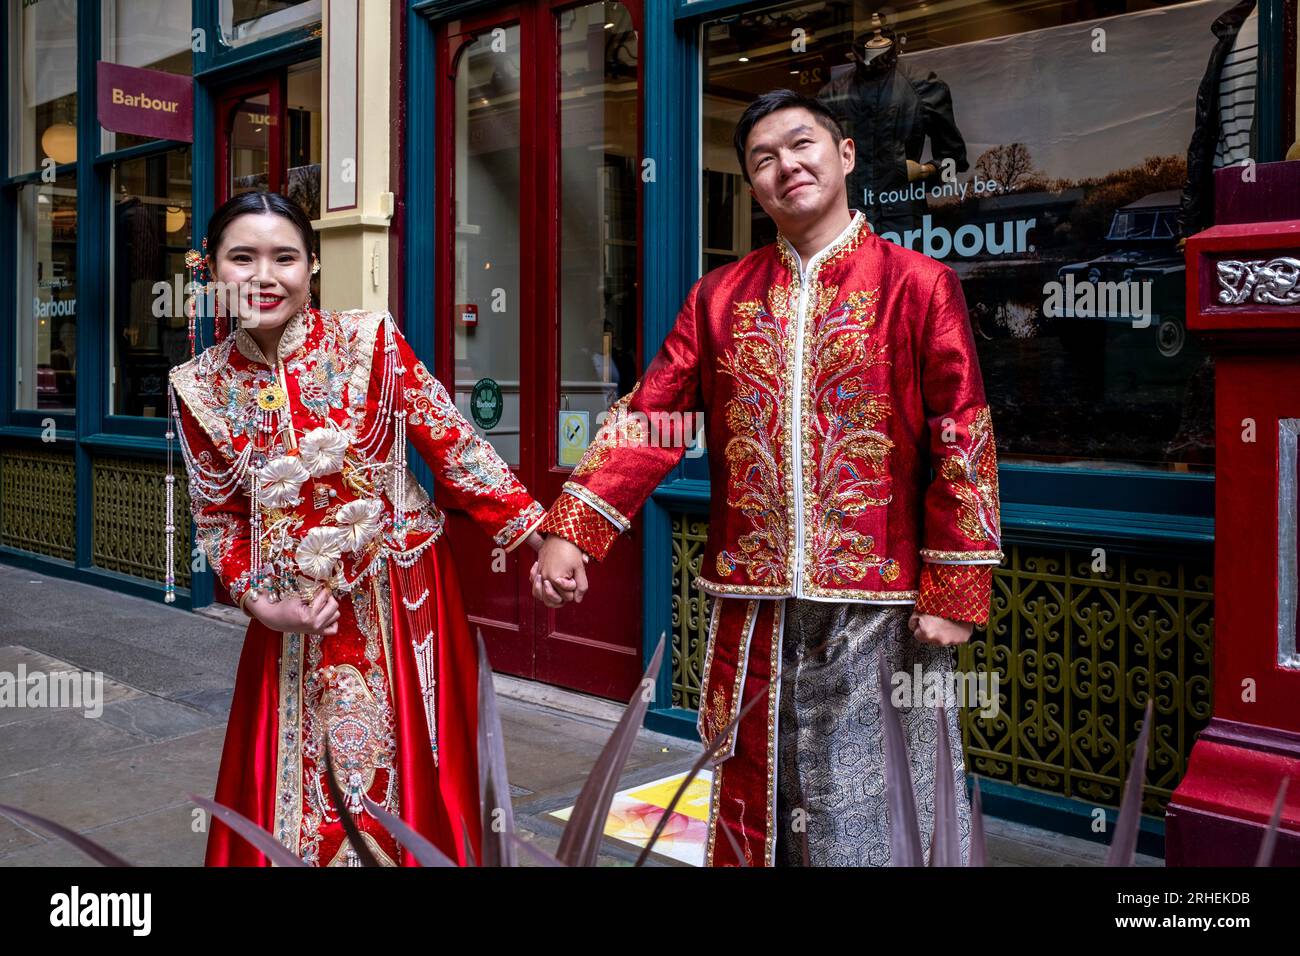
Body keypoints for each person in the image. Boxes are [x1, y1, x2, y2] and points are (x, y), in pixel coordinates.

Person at [532, 89, 1002, 866]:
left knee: (874, 811)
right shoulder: (720, 298)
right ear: (752, 186)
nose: (787, 166)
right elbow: (655, 417)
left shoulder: (918, 286)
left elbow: (962, 436)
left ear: (845, 155)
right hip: (753, 612)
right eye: (763, 159)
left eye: (802, 144)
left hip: (879, 608)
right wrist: (573, 529)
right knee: (759, 805)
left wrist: (956, 588)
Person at [167, 191, 546, 866]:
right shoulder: (197, 384)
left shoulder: (368, 340)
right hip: (291, 612)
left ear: (311, 266)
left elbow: (453, 444)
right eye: (241, 258)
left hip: (402, 598)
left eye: (284, 257)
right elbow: (218, 515)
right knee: (299, 778)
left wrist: (538, 537)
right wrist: (262, 602)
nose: (264, 276)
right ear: (210, 271)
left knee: (408, 767)